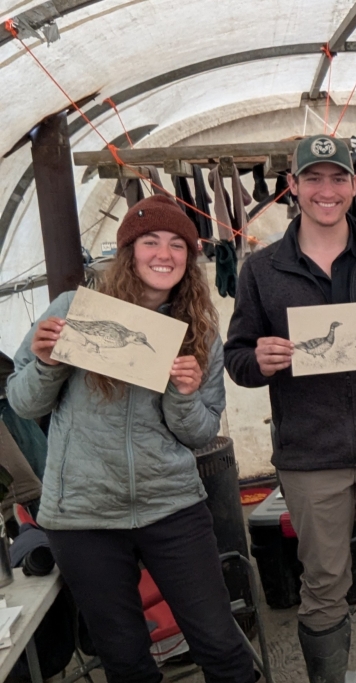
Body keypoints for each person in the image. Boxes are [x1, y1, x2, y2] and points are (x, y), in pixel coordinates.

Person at [6, 194, 254, 683]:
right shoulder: (73, 310)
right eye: (150, 241)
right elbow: (23, 403)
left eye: (177, 244)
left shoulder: (200, 334)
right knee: (125, 661)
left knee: (222, 648)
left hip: (171, 506)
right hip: (83, 517)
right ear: (128, 251)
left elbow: (201, 432)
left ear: (190, 257)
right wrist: (47, 364)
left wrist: (183, 394)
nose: (164, 254)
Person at [224, 135, 356, 683]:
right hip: (310, 459)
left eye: (338, 178)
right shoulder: (262, 269)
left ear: (354, 184)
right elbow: (237, 357)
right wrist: (258, 359)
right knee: (323, 586)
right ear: (292, 186)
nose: (327, 190)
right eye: (313, 178)